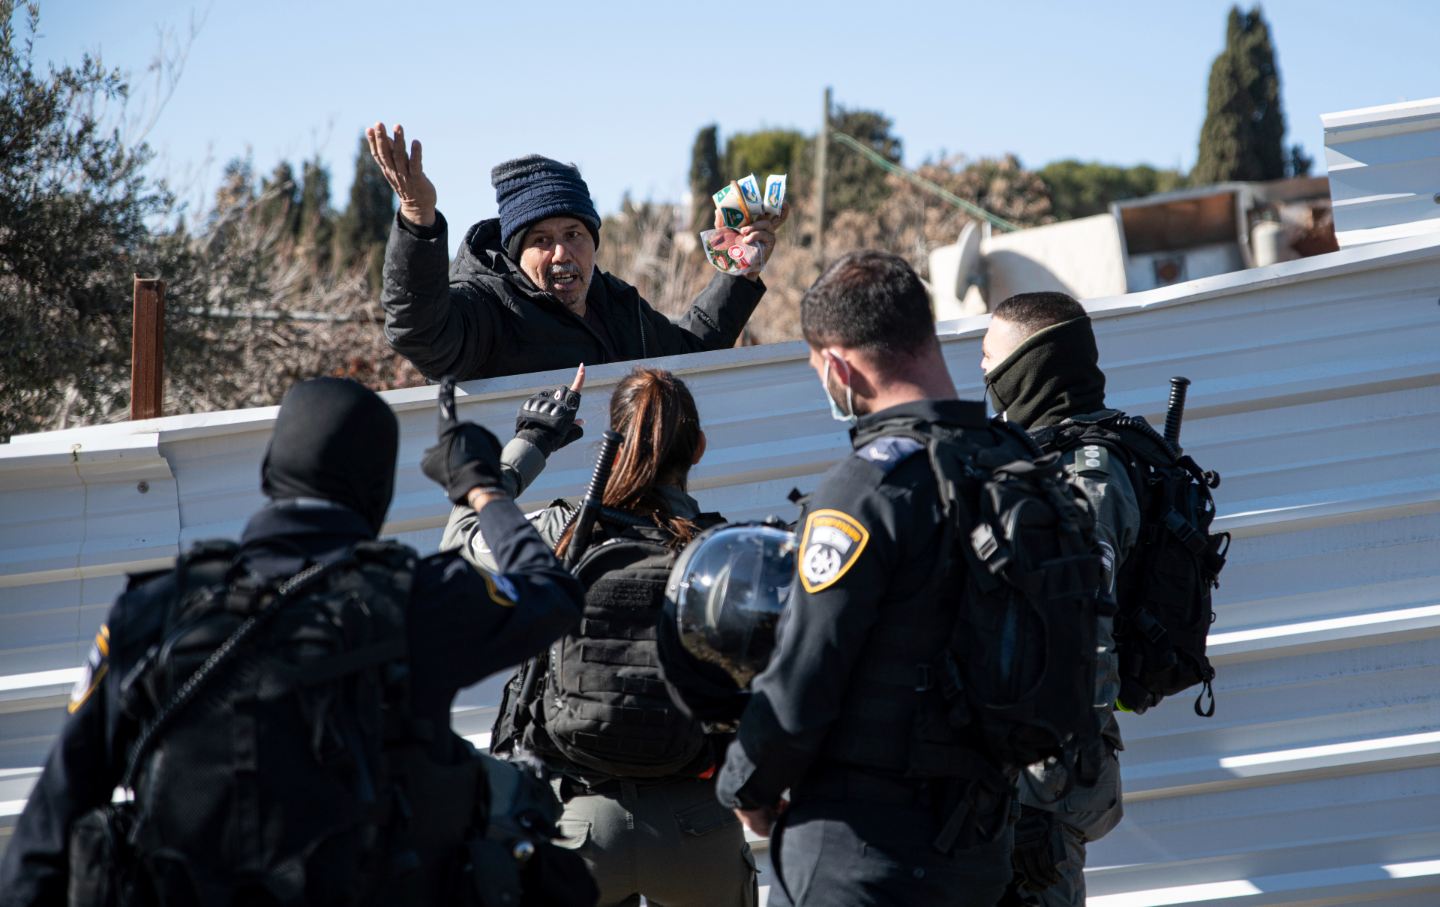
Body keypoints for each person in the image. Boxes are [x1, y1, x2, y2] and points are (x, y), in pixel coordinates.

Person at [0, 377, 588, 907]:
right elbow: (550, 594)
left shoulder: (152, 610)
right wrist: (485, 487)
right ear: (377, 492)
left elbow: (52, 823)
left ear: (268, 476)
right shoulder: (414, 600)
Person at [717, 251, 1041, 907]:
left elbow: (804, 676)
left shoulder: (866, 488)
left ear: (837, 367)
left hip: (865, 855)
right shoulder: (1019, 463)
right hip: (984, 843)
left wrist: (745, 786)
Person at [444, 367, 759, 907]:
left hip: (577, 828)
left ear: (610, 445)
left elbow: (462, 534)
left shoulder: (564, 535)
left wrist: (532, 442)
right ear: (699, 448)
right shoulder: (725, 554)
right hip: (697, 829)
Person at [366, 123, 786, 380]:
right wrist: (418, 219)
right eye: (542, 241)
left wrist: (739, 269)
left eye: (574, 234)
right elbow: (419, 332)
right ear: (516, 253)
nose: (562, 252)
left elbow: (691, 359)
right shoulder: (487, 309)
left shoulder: (619, 306)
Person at [981, 292, 1138, 907]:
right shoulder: (1033, 457)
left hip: (1043, 789)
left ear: (1027, 365)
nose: (985, 377)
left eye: (991, 360)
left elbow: (1084, 647)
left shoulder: (1085, 480)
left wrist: (1042, 800)